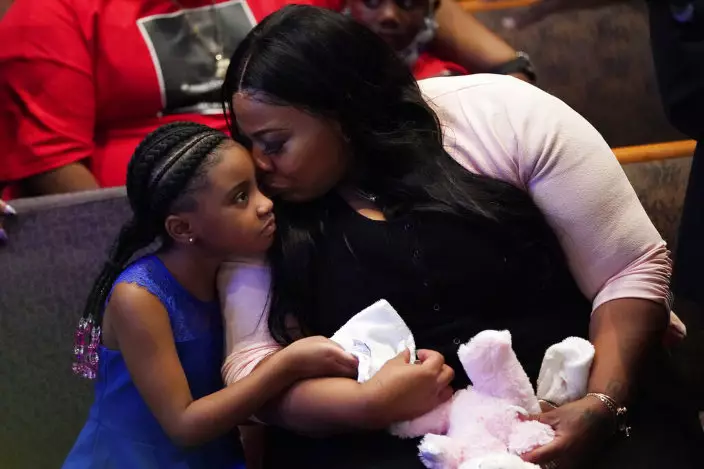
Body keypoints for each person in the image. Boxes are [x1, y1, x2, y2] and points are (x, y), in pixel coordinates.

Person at [217, 6, 704, 469]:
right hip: (385, 437)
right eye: (247, 140)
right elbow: (252, 370)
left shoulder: (497, 114)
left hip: (574, 398)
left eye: (275, 143)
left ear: (343, 115)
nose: (258, 163)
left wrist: (602, 402)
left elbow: (628, 267)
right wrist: (366, 405)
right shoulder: (255, 206)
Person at [0, 0, 529, 203]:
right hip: (174, 224)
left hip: (326, 191)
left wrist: (510, 69)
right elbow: (55, 168)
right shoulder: (50, 12)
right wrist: (141, 245)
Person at [62, 122, 359, 469]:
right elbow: (183, 425)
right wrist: (287, 365)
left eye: (259, 187)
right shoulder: (139, 297)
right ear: (183, 228)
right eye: (240, 197)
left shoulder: (234, 272)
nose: (266, 204)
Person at [343, 0, 469, 79]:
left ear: (430, 9)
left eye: (407, 3)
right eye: (372, 1)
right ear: (347, 4)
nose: (389, 15)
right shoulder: (335, 72)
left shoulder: (445, 82)